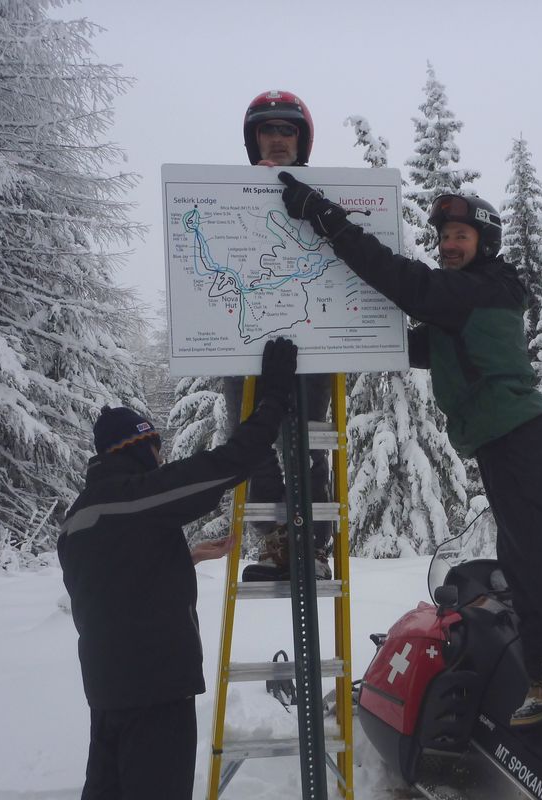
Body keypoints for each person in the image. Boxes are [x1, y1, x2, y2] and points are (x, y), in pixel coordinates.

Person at [277, 173, 542, 749]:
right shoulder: (459, 306)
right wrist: (324, 333)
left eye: (461, 235)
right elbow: (410, 340)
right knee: (524, 562)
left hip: (518, 440)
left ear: (484, 243)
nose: (448, 245)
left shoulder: (480, 290)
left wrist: (324, 216)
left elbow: (402, 282)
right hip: (504, 444)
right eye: (444, 238)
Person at [58, 338, 297, 799]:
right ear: (140, 448)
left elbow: (112, 582)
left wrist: (183, 558)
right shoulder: (135, 496)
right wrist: (274, 397)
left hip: (108, 690)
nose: (162, 459)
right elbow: (226, 465)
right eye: (157, 450)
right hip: (155, 690)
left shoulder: (80, 516)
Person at [223, 89, 334, 582]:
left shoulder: (325, 193)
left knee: (306, 441)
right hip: (245, 343)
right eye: (268, 130)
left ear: (302, 139)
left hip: (310, 342)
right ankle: (275, 546)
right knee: (251, 440)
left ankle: (312, 546)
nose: (277, 139)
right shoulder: (222, 195)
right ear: (254, 140)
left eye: (287, 130)